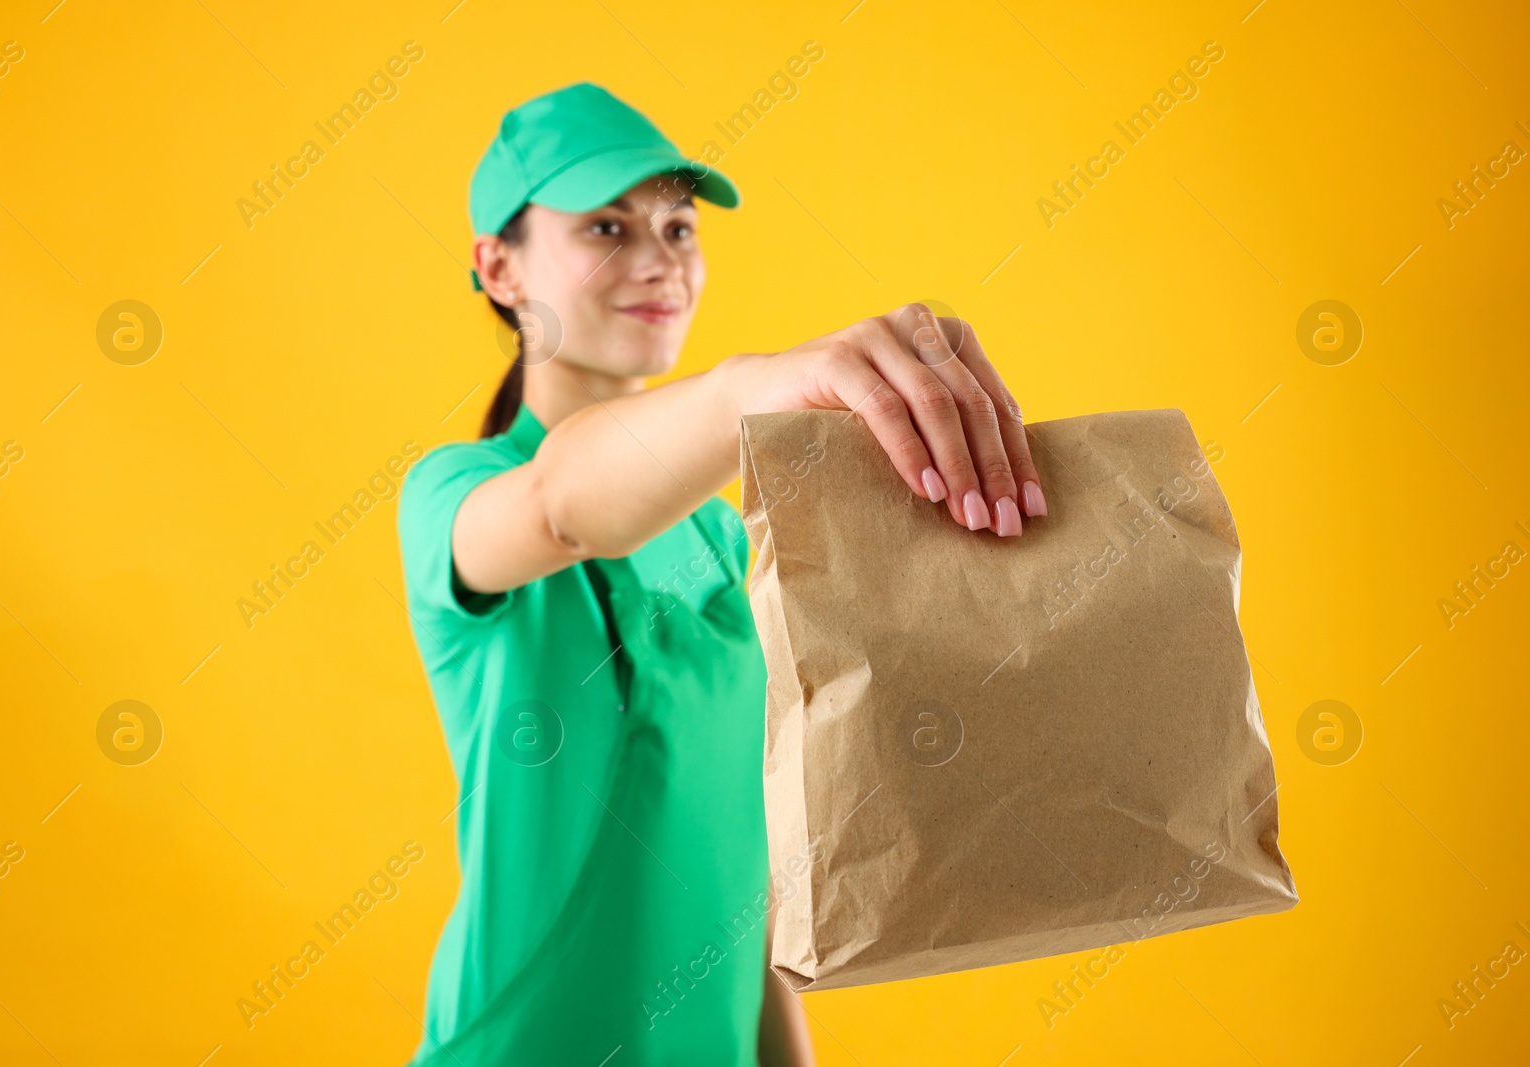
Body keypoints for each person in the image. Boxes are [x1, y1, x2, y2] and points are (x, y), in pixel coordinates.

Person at [396, 81, 1046, 1066]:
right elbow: (561, 502)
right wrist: (752, 385)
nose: (658, 259)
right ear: (499, 266)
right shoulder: (458, 493)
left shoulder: (719, 531)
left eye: (678, 225)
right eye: (607, 227)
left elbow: (748, 862)